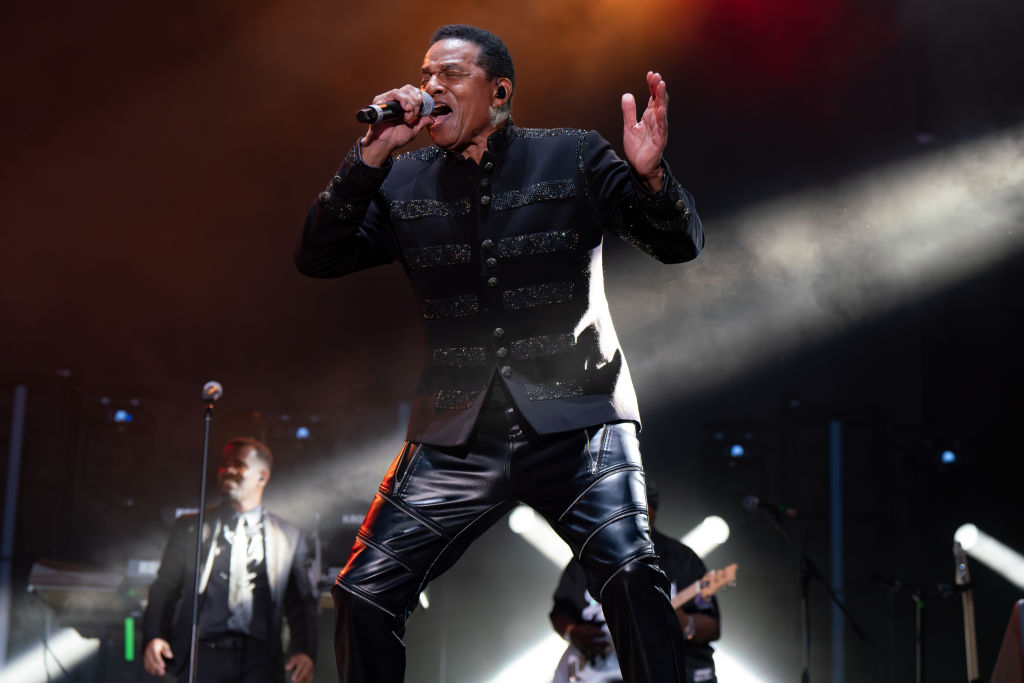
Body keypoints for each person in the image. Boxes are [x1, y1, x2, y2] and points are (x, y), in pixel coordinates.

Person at [295, 24, 704, 683]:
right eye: (425, 74)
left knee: (631, 576)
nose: (431, 87)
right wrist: (366, 157)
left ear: (499, 91)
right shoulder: (401, 181)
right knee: (361, 590)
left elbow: (677, 244)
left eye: (450, 74)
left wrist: (651, 178)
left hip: (580, 418)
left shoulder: (572, 156)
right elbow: (317, 256)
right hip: (457, 429)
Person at [142, 438, 317, 683]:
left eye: (239, 464)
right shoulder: (191, 527)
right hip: (203, 655)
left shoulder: (288, 536)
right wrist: (155, 635)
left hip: (260, 660)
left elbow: (301, 602)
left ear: (262, 477)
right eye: (224, 464)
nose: (228, 470)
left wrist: (304, 650)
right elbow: (164, 588)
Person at [550, 483, 721, 683]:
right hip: (593, 671)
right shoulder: (589, 557)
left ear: (652, 512)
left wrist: (686, 624)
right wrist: (573, 633)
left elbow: (712, 626)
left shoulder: (682, 560)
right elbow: (560, 610)